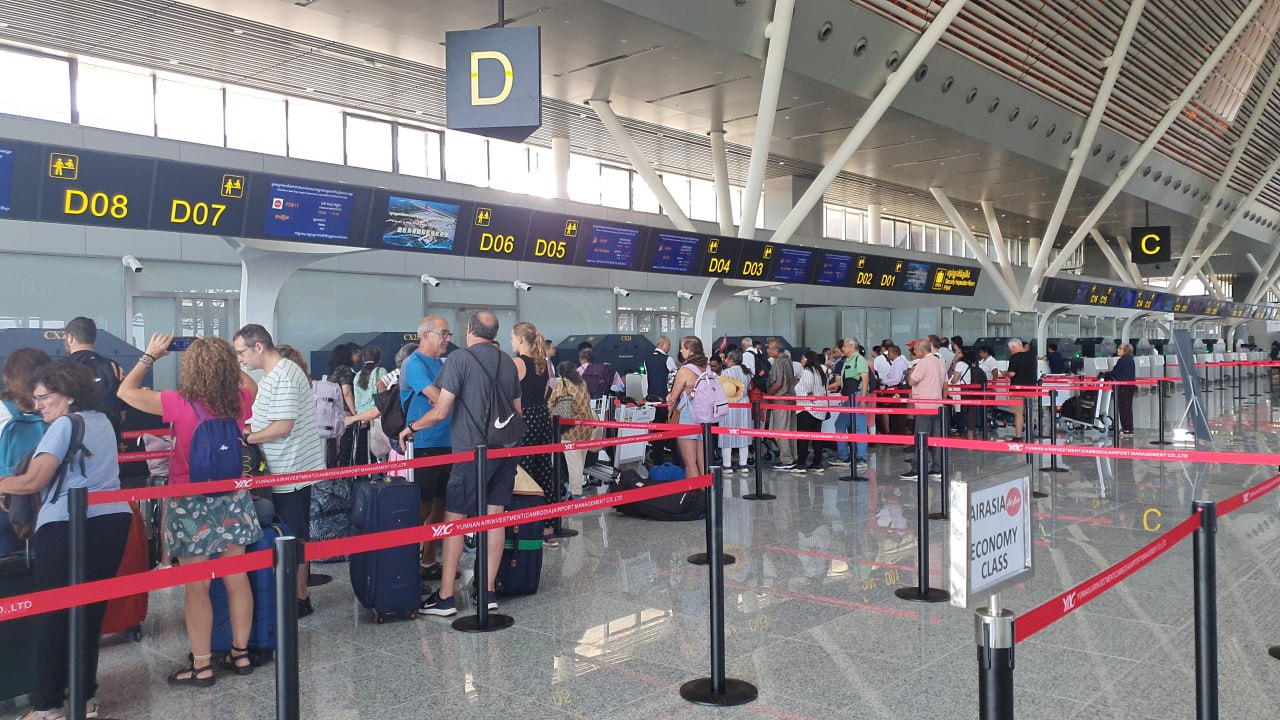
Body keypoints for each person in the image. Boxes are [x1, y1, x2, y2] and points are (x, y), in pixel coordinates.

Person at [116, 333, 263, 685]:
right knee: (236, 577)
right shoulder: (239, 400)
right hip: (232, 497)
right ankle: (241, 654)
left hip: (190, 499)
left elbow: (125, 392)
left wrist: (151, 356)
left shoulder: (177, 402)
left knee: (197, 585)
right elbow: (251, 384)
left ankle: (202, 665)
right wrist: (223, 355)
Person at [0, 362, 132, 720]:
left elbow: (33, 481)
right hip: (113, 520)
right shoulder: (102, 421)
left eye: (44, 397)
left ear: (69, 395)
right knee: (89, 612)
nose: (38, 405)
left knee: (53, 615)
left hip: (66, 524)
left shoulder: (64, 424)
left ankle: (47, 704)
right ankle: (84, 696)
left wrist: (3, 484)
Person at [406, 311, 522, 618]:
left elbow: (440, 411)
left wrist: (412, 427)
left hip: (472, 452)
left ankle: (445, 597)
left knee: (455, 518)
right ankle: (488, 591)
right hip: (506, 451)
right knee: (495, 517)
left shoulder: (460, 359)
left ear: (470, 329)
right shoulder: (508, 362)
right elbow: (517, 411)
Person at [233, 324, 325, 617]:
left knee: (293, 535)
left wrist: (248, 438)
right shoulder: (276, 374)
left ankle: (299, 598)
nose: (240, 359)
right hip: (286, 467)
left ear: (258, 346)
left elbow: (283, 426)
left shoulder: (283, 375)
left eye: (241, 352)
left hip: (290, 470)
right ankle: (293, 595)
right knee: (291, 533)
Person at [400, 317, 453, 577]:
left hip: (448, 442)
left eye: (449, 333)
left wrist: (445, 398)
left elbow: (445, 400)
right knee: (422, 507)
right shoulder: (414, 364)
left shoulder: (442, 364)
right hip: (424, 444)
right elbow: (439, 399)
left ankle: (428, 562)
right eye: (443, 333)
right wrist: (446, 398)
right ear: (426, 335)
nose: (448, 339)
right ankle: (403, 566)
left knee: (440, 505)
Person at [510, 321, 556, 546]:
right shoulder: (543, 363)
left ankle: (525, 526)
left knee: (523, 472)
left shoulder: (518, 363)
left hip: (525, 420)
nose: (511, 342)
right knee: (543, 470)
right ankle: (547, 527)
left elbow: (511, 396)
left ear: (520, 339)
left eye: (512, 338)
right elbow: (546, 391)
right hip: (542, 419)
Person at [62, 317, 125, 430]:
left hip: (73, 434)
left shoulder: (59, 369)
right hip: (108, 433)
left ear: (69, 338)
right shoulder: (113, 367)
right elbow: (122, 414)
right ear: (94, 339)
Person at [665, 336, 713, 479]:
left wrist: (669, 407)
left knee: (690, 463)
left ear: (690, 350)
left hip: (687, 415)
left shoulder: (685, 370)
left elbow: (673, 397)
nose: (680, 351)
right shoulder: (706, 368)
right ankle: (706, 491)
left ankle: (695, 491)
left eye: (682, 348)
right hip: (703, 415)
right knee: (702, 462)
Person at [547, 362, 595, 495]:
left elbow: (551, 403)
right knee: (580, 459)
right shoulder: (582, 382)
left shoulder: (563, 383)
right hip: (586, 425)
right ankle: (575, 487)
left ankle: (576, 491)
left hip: (570, 428)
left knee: (574, 462)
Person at [901, 339, 945, 480]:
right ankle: (938, 468)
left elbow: (911, 381)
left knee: (921, 438)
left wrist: (911, 371)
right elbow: (945, 384)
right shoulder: (939, 362)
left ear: (921, 350)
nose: (914, 352)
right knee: (937, 439)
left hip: (924, 406)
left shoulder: (923, 363)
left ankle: (917, 469)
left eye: (915, 349)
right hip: (938, 405)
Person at [830, 339, 869, 471]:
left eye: (845, 346)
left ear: (852, 346)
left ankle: (862, 458)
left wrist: (862, 400)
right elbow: (841, 382)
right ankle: (844, 456)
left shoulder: (859, 359)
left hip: (857, 396)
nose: (843, 349)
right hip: (848, 398)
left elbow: (865, 379)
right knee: (840, 424)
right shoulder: (847, 360)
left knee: (860, 427)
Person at [644, 336, 679, 463]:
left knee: (656, 430)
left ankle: (657, 461)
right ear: (663, 345)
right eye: (668, 344)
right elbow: (675, 378)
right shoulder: (667, 359)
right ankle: (676, 460)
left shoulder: (647, 359)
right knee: (671, 429)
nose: (670, 347)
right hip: (666, 399)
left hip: (652, 398)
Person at [793, 351, 829, 473]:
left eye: (803, 358)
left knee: (803, 437)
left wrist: (805, 392)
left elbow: (806, 388)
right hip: (820, 407)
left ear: (808, 360)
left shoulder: (808, 371)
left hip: (807, 407)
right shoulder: (820, 371)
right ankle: (817, 463)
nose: (801, 361)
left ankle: (801, 463)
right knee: (816, 436)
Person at [717, 350, 751, 473]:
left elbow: (721, 389)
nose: (726, 361)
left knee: (727, 434)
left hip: (730, 403)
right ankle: (743, 464)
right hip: (744, 403)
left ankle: (727, 465)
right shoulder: (747, 372)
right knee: (743, 434)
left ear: (732, 360)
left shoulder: (727, 372)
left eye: (727, 359)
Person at [766, 339, 798, 470]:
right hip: (790, 398)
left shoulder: (778, 363)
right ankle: (793, 456)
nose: (767, 350)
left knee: (780, 430)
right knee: (790, 430)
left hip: (780, 399)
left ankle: (786, 460)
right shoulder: (788, 360)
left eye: (769, 348)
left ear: (776, 350)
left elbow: (778, 383)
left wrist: (768, 395)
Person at [1005, 338, 1038, 437]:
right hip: (1031, 388)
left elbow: (1012, 373)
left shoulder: (1015, 357)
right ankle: (1030, 435)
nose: (1010, 351)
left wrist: (1005, 373)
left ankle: (1018, 436)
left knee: (1018, 414)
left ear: (1014, 347)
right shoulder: (1032, 357)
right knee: (1029, 412)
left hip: (1017, 390)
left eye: (1010, 349)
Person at [949, 348, 978, 439]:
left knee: (960, 410)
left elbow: (955, 379)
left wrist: (951, 380)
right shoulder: (972, 363)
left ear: (963, 354)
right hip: (969, 389)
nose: (957, 354)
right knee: (969, 411)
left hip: (961, 390)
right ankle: (969, 431)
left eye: (959, 353)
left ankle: (961, 430)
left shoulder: (960, 364)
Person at [1113, 343, 1137, 435]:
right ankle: (1129, 427)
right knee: (1128, 408)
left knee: (1123, 408)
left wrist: (1105, 374)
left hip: (1123, 387)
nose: (1118, 350)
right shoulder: (1131, 360)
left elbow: (1115, 372)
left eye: (1120, 348)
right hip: (1130, 387)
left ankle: (1126, 428)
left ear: (1125, 350)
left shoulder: (1122, 360)